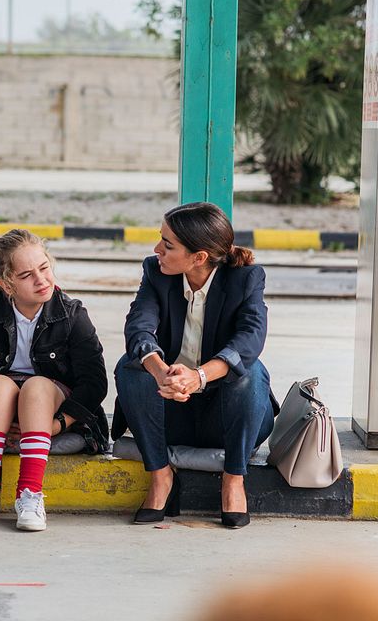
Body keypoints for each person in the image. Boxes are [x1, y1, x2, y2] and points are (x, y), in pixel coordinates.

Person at [114, 202, 276, 529]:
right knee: (130, 366)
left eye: (168, 245)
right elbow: (139, 326)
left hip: (228, 418)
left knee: (251, 371)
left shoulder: (246, 280)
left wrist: (198, 377)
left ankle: (233, 480)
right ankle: (160, 477)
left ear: (198, 257)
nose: (157, 249)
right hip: (171, 410)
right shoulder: (156, 273)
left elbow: (249, 340)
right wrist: (162, 372)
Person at [0, 229, 108, 531]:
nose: (41, 279)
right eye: (27, 275)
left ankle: (30, 493)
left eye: (44, 268)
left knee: (34, 386)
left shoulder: (71, 315)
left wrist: (56, 425)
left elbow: (94, 383)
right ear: (7, 284)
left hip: (52, 410)